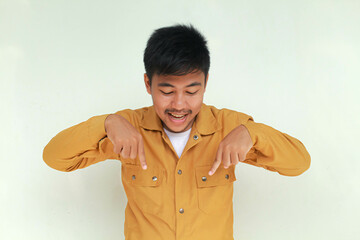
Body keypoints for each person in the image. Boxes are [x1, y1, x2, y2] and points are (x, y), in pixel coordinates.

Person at [43, 24, 311, 240]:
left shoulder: (229, 126)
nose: (179, 105)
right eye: (167, 91)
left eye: (192, 91)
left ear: (206, 84)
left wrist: (254, 133)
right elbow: (55, 157)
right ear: (148, 83)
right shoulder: (127, 128)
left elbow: (299, 163)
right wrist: (106, 123)